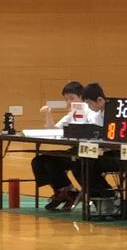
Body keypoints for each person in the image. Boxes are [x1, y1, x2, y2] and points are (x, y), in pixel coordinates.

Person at [31, 81, 89, 211]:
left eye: (72, 98)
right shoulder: (71, 114)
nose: (69, 102)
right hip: (74, 150)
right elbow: (53, 130)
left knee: (52, 163)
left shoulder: (90, 112)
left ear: (81, 97)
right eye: (66, 99)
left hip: (86, 151)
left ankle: (70, 193)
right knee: (40, 160)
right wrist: (48, 115)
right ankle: (65, 191)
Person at [81, 83, 118, 199]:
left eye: (89, 103)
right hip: (104, 154)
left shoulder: (116, 112)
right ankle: (100, 196)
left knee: (88, 165)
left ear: (100, 100)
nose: (89, 107)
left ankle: (109, 195)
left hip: (117, 155)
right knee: (81, 164)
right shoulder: (97, 117)